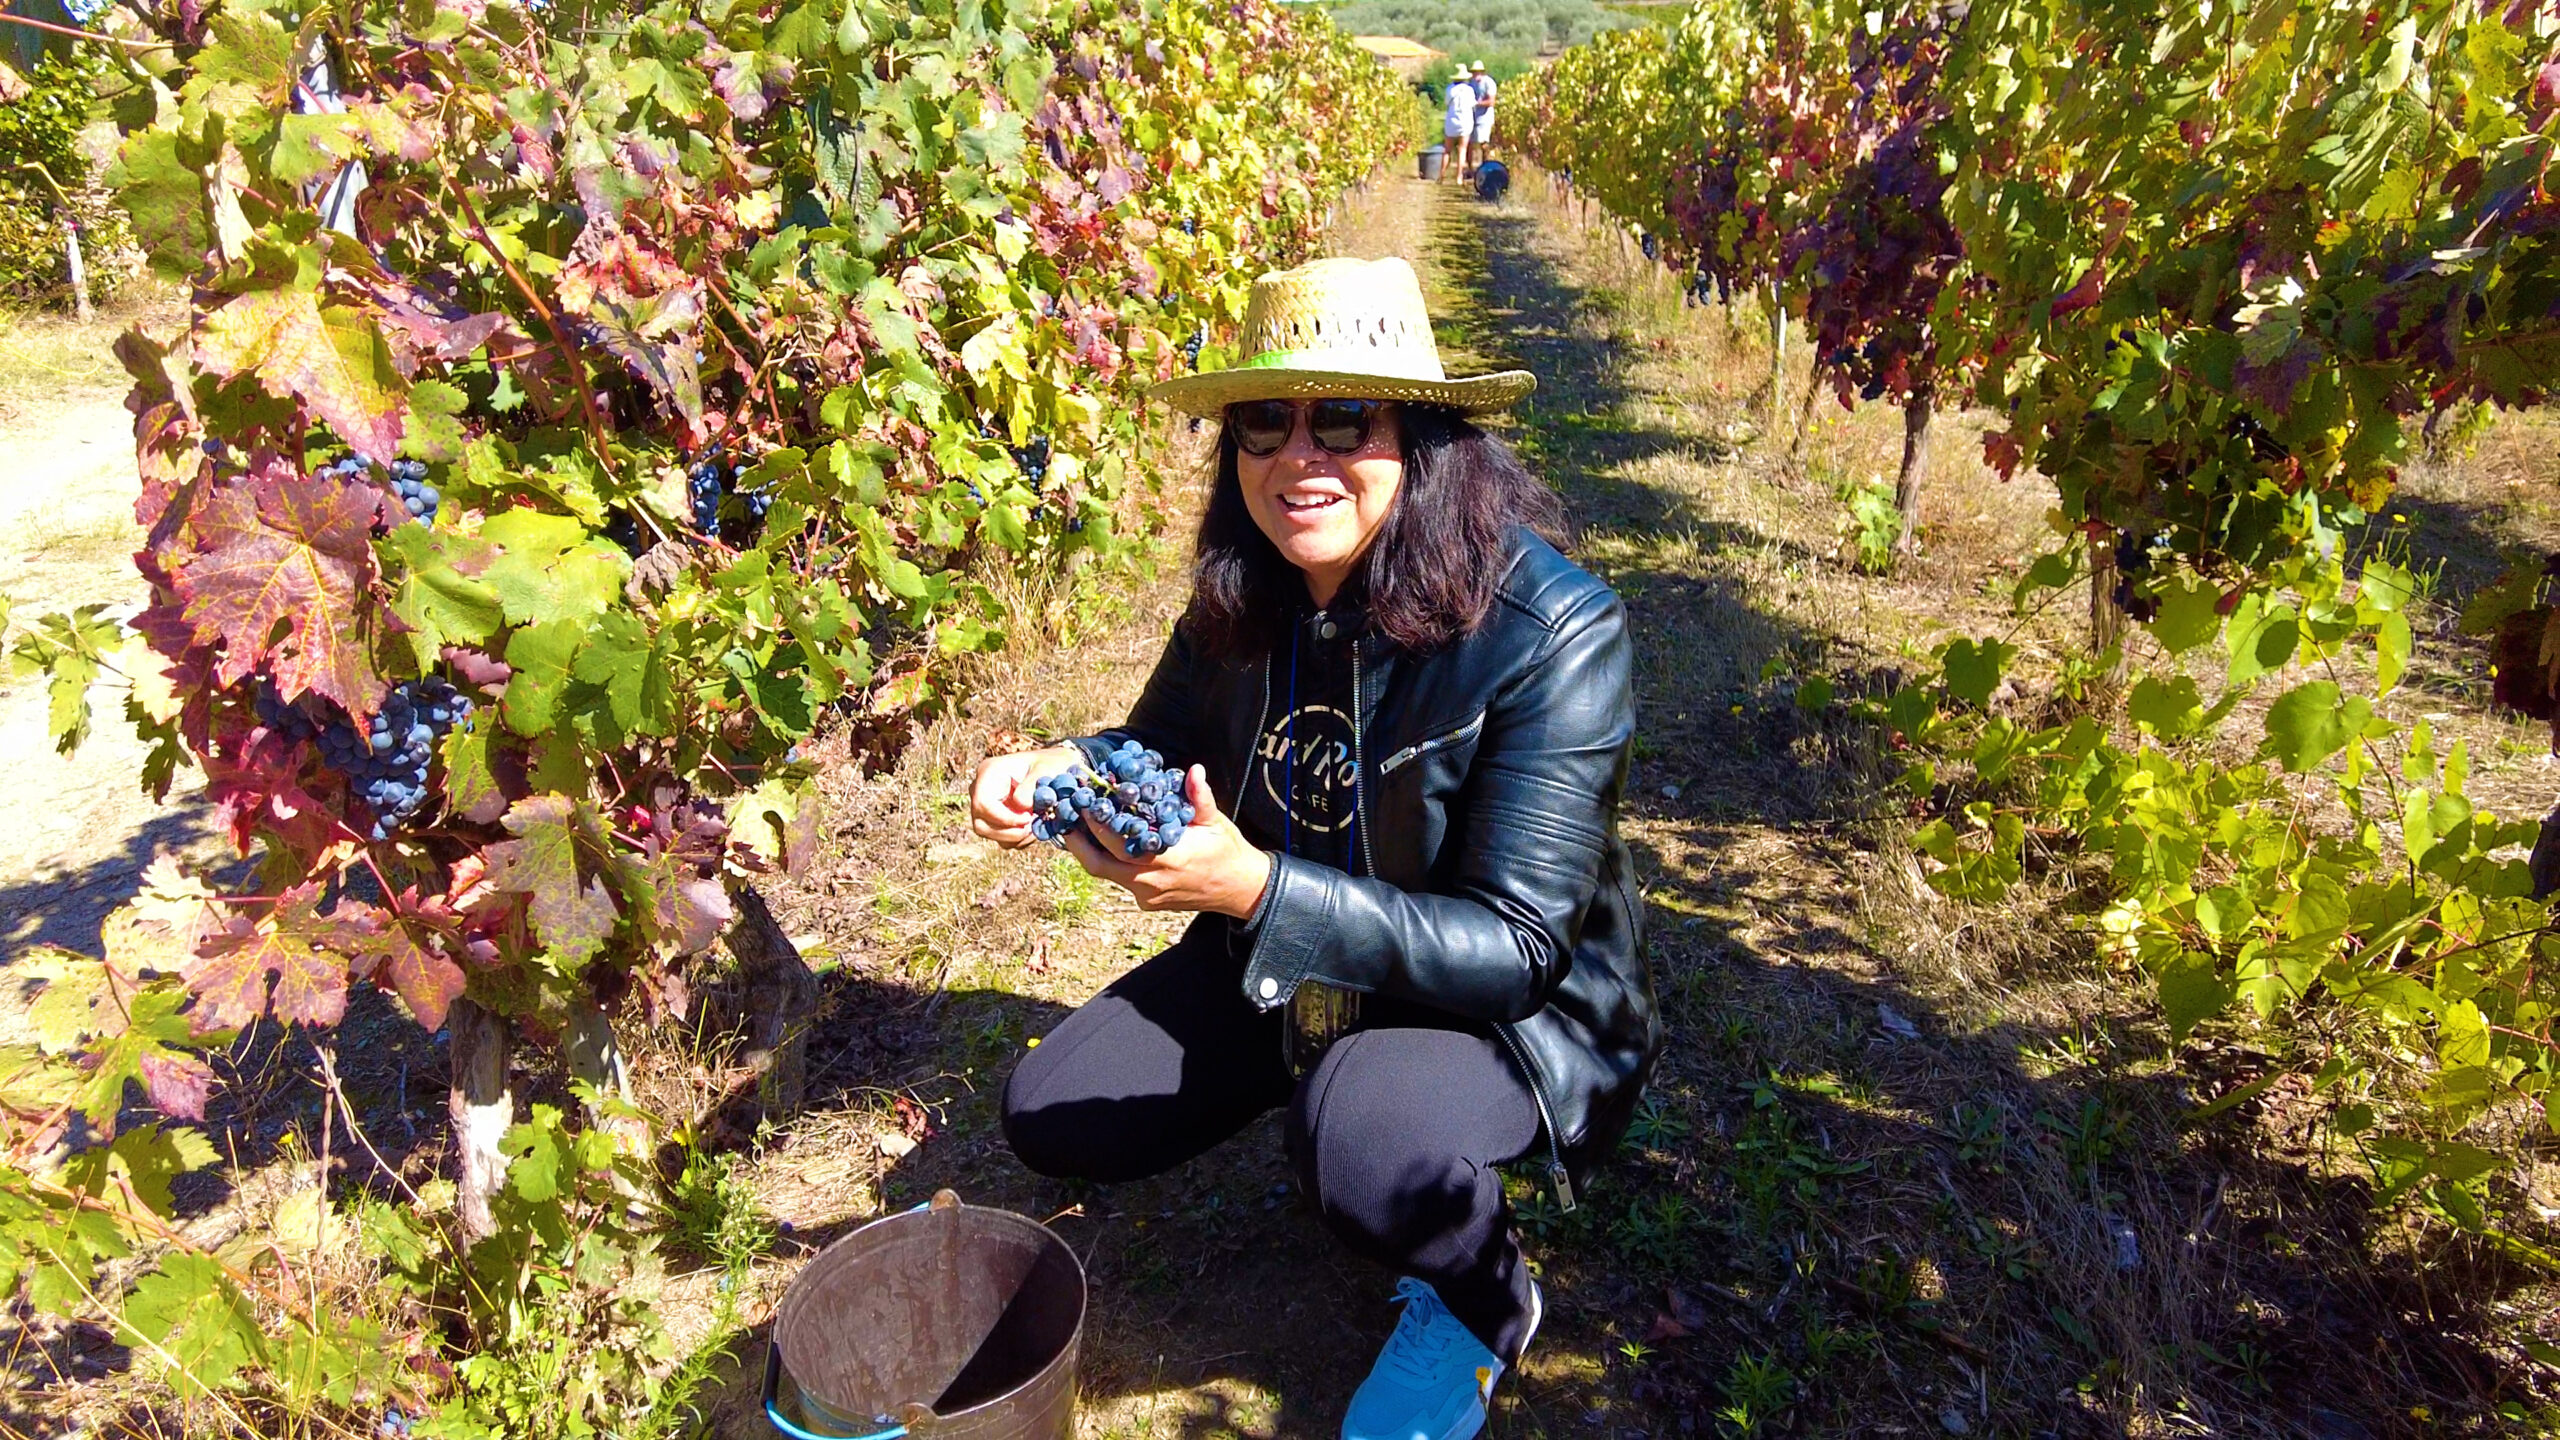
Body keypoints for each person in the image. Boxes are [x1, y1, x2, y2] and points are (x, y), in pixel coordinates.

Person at [973, 256, 1662, 1440]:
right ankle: (1325, 1075)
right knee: (1055, 1111)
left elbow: (1519, 948)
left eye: (1344, 416)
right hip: (1283, 948)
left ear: (1426, 440)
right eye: (1263, 423)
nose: (1299, 455)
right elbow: (1154, 743)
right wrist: (1061, 767)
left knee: (1358, 1140)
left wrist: (1251, 886)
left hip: (1503, 1014)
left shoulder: (1554, 631)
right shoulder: (1246, 596)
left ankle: (1482, 1296)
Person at [1441, 66, 1477, 183]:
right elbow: (1473, 104)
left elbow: (1446, 102)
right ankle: (1459, 177)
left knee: (1447, 150)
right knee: (1462, 149)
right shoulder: (1469, 90)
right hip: (1465, 121)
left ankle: (1441, 175)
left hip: (1452, 120)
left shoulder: (1449, 89)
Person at [1467, 61, 1497, 173]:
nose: (1475, 74)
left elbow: (1491, 102)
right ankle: (1470, 170)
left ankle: (1485, 169)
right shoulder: (1471, 83)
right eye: (1474, 72)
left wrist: (1476, 103)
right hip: (1472, 118)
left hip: (1485, 119)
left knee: (1483, 144)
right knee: (1469, 144)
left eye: (1477, 72)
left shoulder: (1489, 83)